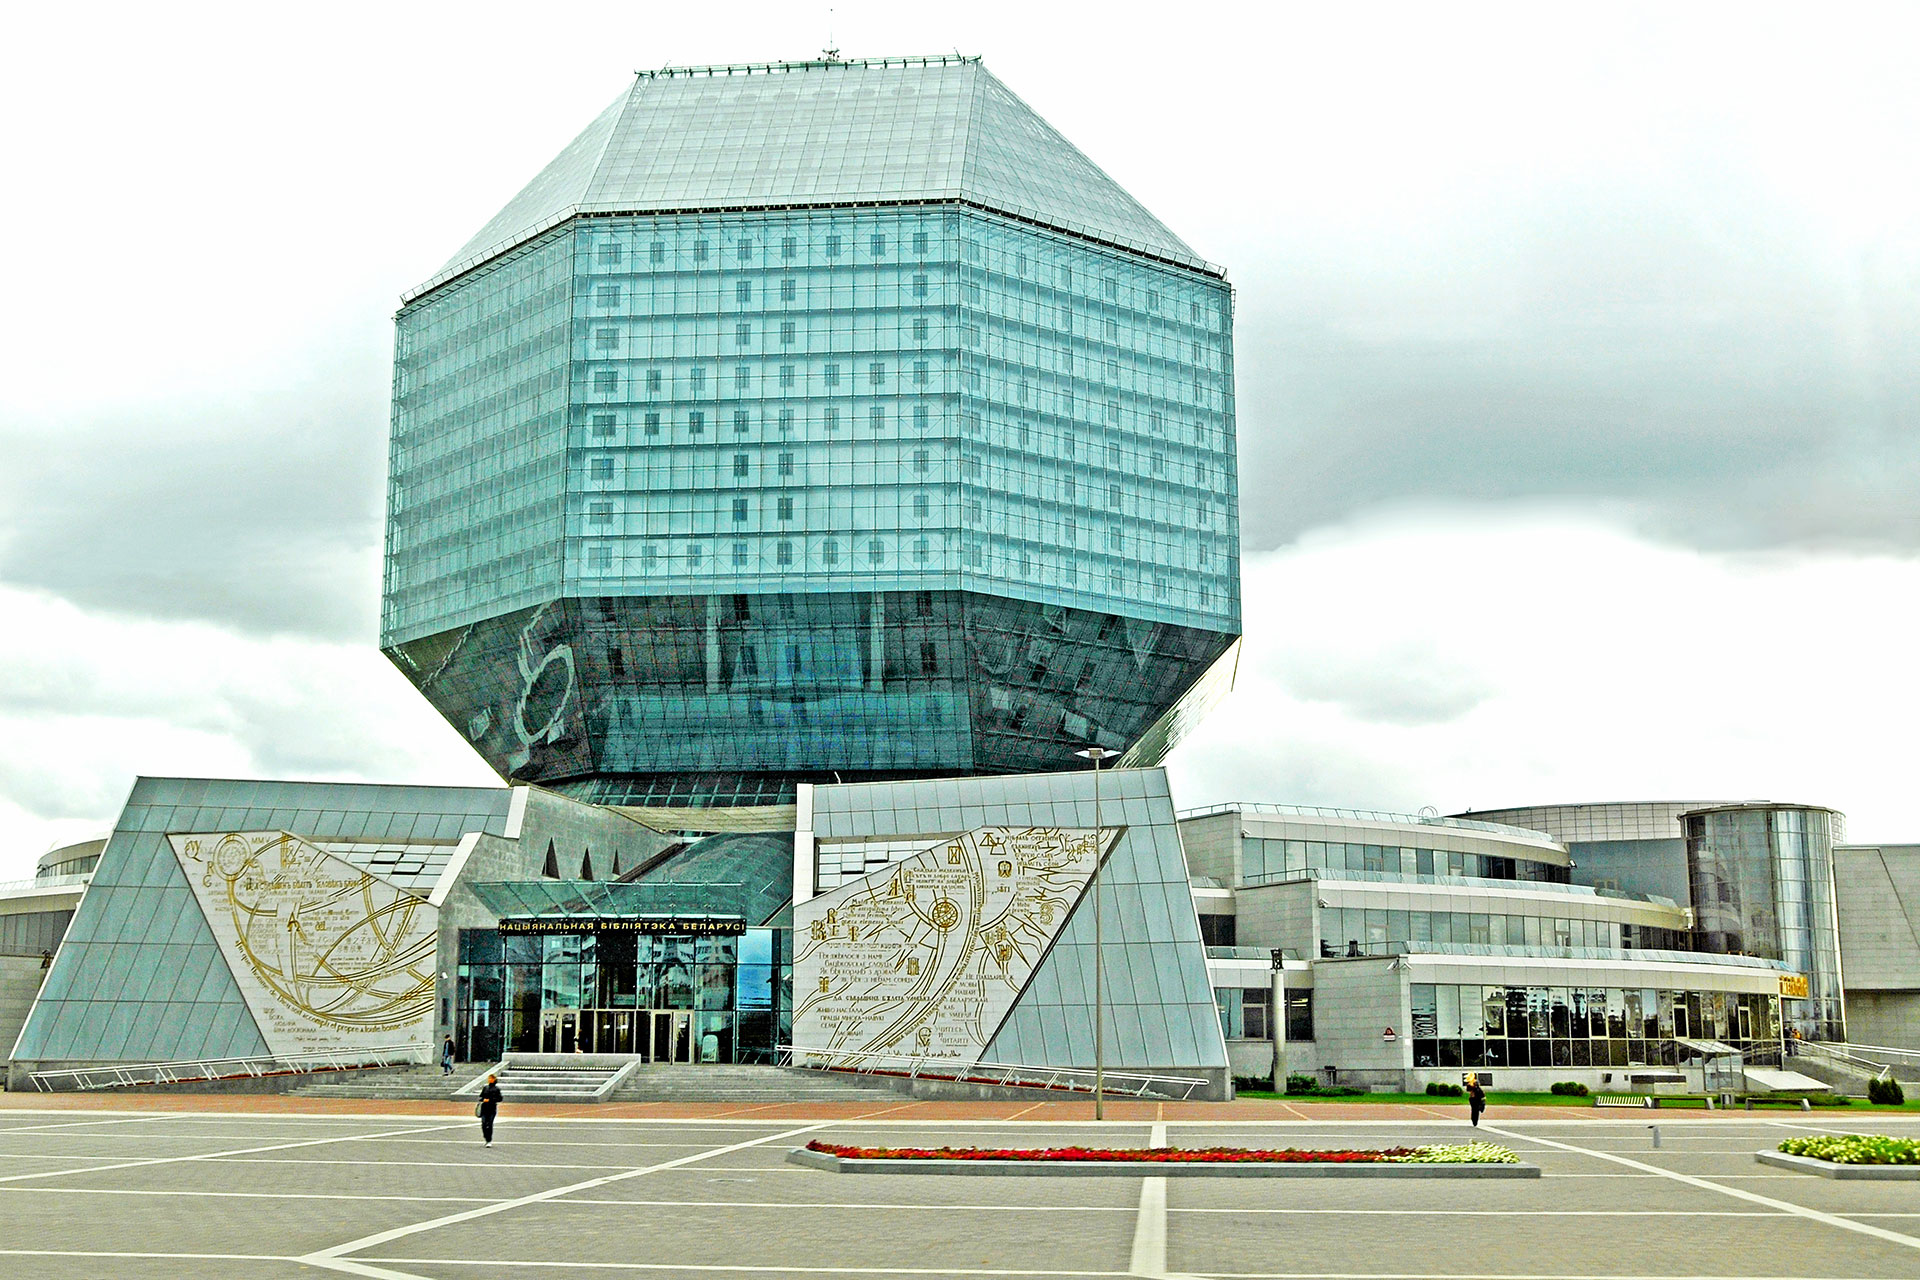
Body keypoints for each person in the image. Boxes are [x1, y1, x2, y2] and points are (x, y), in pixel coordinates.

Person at [478, 1073, 503, 1147]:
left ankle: (489, 1140)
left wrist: (490, 1100)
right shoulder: (485, 1088)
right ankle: (486, 1137)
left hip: (492, 1109)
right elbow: (481, 1097)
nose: (490, 1080)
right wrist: (483, 1099)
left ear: (494, 1080)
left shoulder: (497, 1089)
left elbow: (500, 1099)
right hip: (484, 1108)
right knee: (483, 1123)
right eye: (489, 1078)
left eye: (491, 1079)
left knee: (490, 1124)